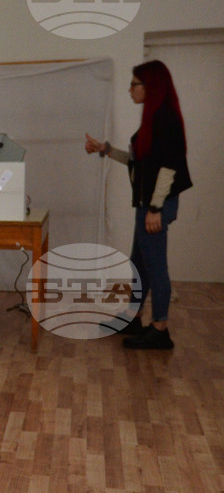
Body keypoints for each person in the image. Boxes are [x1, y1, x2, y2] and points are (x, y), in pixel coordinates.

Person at [85, 60, 192, 350]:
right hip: (147, 204)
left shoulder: (165, 119)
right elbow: (139, 162)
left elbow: (169, 168)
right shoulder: (154, 118)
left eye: (135, 84)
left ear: (151, 86)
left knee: (156, 267)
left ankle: (160, 329)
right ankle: (133, 317)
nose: (130, 89)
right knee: (140, 264)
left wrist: (155, 209)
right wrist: (105, 150)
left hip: (156, 206)